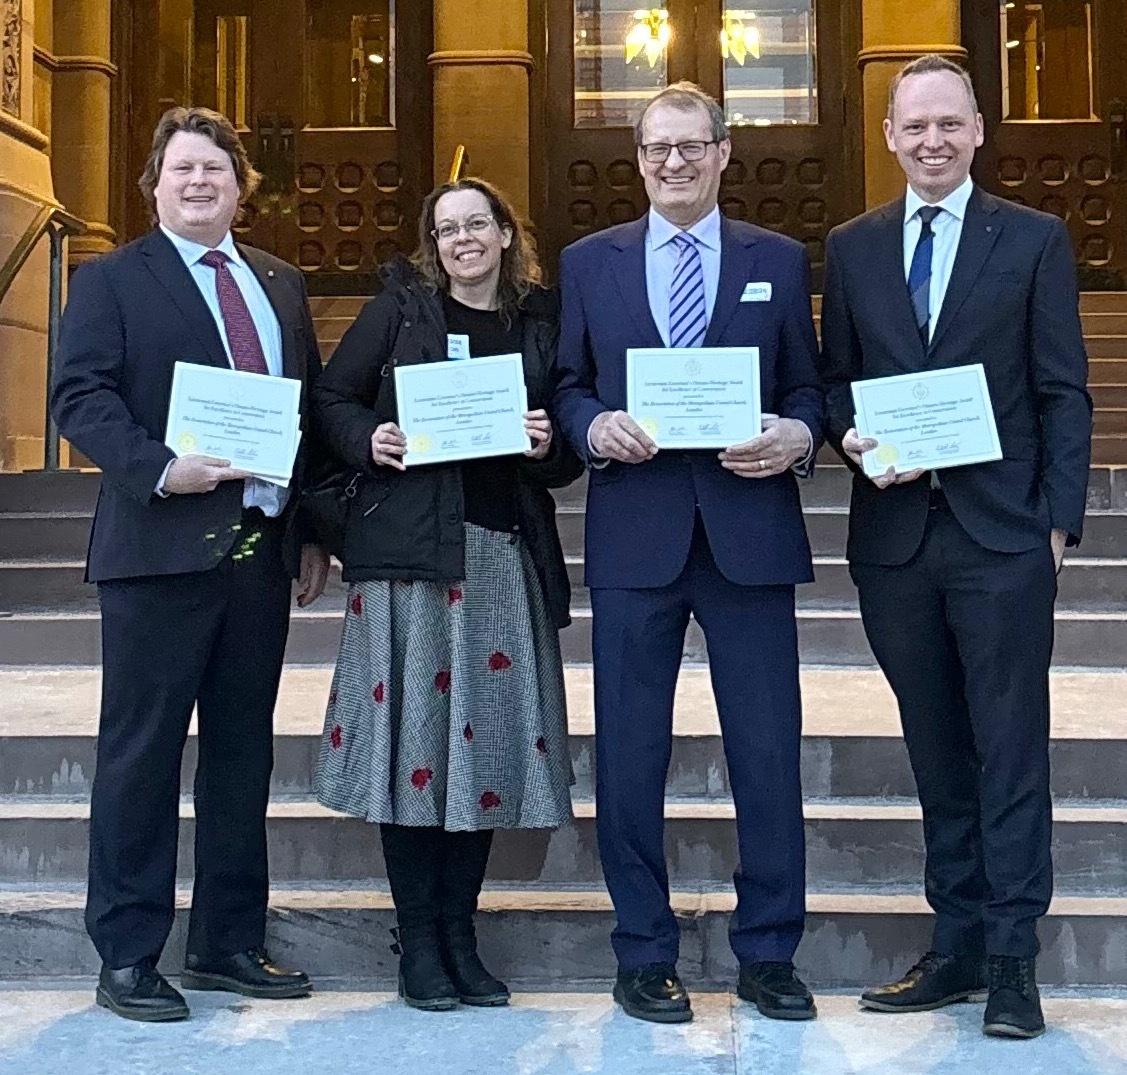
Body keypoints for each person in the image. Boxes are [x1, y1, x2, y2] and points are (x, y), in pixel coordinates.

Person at [818, 55, 1092, 1039]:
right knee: (935, 752)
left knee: (1008, 751)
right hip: (895, 541)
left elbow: (1062, 388)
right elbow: (837, 381)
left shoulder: (1031, 240)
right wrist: (846, 434)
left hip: (1000, 539)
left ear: (977, 131)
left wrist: (1057, 522)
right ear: (887, 137)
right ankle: (958, 942)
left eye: (947, 124)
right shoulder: (850, 249)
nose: (929, 141)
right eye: (912, 126)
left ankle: (1014, 962)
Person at [50, 106, 330, 1022]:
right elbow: (79, 397)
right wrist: (161, 468)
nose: (200, 182)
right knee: (142, 756)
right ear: (155, 186)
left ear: (241, 185)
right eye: (183, 170)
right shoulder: (110, 280)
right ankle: (128, 952)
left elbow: (307, 412)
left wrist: (314, 528)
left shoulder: (281, 284)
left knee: (242, 756)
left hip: (258, 551)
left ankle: (227, 941)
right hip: (158, 549)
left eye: (216, 168)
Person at [553, 82, 825, 1024]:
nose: (674, 162)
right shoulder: (589, 264)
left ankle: (769, 952)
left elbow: (807, 387)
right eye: (657, 148)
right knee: (630, 754)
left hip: (748, 534)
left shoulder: (778, 261)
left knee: (765, 752)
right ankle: (643, 951)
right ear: (637, 160)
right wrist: (595, 428)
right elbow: (567, 385)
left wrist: (796, 436)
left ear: (721, 154)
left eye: (691, 146)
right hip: (637, 535)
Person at [312, 177, 581, 1012]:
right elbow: (329, 399)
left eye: (478, 224)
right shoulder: (399, 312)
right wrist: (371, 438)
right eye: (446, 228)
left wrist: (547, 443)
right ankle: (418, 940)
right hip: (405, 562)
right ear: (434, 243)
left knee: (486, 754)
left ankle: (461, 937)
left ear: (506, 233)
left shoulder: (540, 321)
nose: (463, 239)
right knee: (412, 752)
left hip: (500, 556)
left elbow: (568, 449)